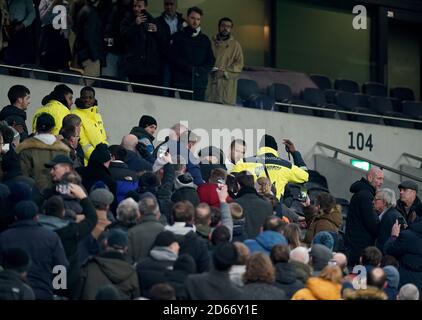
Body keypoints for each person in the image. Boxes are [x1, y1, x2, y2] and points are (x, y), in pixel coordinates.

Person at [0, 201, 69, 299]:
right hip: (43, 291)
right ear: (37, 217)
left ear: (15, 217)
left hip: (12, 293)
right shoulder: (51, 237)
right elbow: (61, 266)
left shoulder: (3, 237)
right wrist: (58, 291)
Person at [231, 135, 309, 200]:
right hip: (275, 210)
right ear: (275, 149)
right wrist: (295, 153)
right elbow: (305, 176)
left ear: (260, 148)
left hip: (249, 207)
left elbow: (232, 184)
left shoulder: (243, 162)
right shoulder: (287, 166)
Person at [169, 6, 215, 101]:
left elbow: (211, 59)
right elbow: (174, 58)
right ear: (187, 17)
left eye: (198, 19)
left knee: (198, 112)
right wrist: (189, 69)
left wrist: (201, 70)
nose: (195, 21)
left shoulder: (205, 39)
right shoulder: (177, 37)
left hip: (200, 84)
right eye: (192, 18)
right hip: (181, 82)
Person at [80, 229, 139, 300]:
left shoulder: (89, 266)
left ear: (106, 243)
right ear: (126, 248)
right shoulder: (131, 272)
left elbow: (76, 293)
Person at [16, 113, 70, 191]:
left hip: (35, 196)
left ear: (36, 128)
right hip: (58, 196)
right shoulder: (63, 150)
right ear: (53, 128)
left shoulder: (25, 149)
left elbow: (24, 176)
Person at [120, 0, 161, 95]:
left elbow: (161, 42)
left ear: (145, 7)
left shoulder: (153, 20)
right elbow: (124, 36)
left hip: (150, 69)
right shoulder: (128, 19)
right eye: (135, 6)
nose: (136, 9)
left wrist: (157, 31)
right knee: (136, 94)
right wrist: (135, 24)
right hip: (135, 68)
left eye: (139, 6)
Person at [345, 167, 384, 267]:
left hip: (355, 246)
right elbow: (372, 224)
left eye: (382, 179)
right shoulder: (366, 196)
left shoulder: (364, 193)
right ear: (370, 178)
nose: (381, 182)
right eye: (379, 178)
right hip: (359, 249)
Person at [384, 204, 422, 296]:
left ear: (416, 215)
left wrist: (394, 236)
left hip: (406, 284)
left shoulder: (407, 236)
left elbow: (388, 250)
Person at [206, 17, 244, 105]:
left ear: (231, 29)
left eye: (228, 26)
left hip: (226, 87)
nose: (225, 28)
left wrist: (224, 73)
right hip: (210, 83)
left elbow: (239, 65)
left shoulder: (235, 45)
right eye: (223, 25)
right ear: (218, 27)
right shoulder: (210, 42)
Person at [165, 201, 210, 273]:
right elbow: (204, 270)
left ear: (172, 218)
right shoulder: (199, 243)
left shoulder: (161, 237)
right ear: (193, 219)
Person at [136, 231, 179, 298]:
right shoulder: (177, 267)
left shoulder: (141, 264)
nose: (179, 247)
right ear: (172, 246)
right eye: (177, 244)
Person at [154, 0, 184, 96]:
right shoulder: (157, 21)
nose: (169, 7)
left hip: (180, 60)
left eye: (172, 4)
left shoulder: (183, 22)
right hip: (164, 60)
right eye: (166, 4)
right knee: (165, 90)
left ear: (176, 5)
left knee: (181, 91)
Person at [71, 87, 108, 165]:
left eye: (90, 98)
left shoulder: (97, 115)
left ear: (94, 99)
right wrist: (93, 155)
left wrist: (105, 150)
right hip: (88, 161)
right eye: (84, 97)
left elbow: (103, 136)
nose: (87, 100)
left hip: (101, 158)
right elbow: (81, 140)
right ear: (80, 98)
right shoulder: (75, 114)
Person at [234, 171, 273, 239]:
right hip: (263, 245)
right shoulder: (268, 205)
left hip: (241, 246)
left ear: (238, 185)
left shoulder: (233, 205)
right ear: (253, 184)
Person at [127, 195, 165, 263]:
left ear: (139, 212)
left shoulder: (131, 232)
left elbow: (128, 260)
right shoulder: (164, 230)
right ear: (157, 212)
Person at [73, 0, 103, 82]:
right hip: (90, 57)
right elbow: (90, 37)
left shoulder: (84, 10)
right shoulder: (90, 12)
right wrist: (95, 56)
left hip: (85, 55)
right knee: (90, 87)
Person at [38, 0, 72, 71]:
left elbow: (67, 24)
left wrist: (68, 22)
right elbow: (43, 19)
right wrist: (53, 4)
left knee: (62, 68)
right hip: (48, 39)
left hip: (61, 39)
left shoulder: (65, 4)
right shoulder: (44, 2)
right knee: (47, 68)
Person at [3, 0, 35, 66]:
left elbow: (32, 13)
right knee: (9, 55)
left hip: (21, 28)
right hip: (7, 28)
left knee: (22, 56)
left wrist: (23, 24)